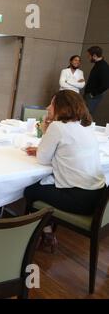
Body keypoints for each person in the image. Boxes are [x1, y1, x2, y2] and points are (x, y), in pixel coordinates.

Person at [24, 90, 106, 249]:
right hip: (98, 196)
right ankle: (47, 229)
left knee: (31, 190)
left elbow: (42, 159)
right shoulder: (86, 127)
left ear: (62, 107)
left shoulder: (58, 127)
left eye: (52, 103)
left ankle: (44, 233)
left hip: (79, 199)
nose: (48, 107)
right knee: (47, 184)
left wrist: (46, 133)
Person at [84, 46, 109, 115]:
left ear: (94, 56)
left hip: (93, 96)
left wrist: (92, 94)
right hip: (90, 95)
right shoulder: (98, 64)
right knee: (84, 114)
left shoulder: (103, 66)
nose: (88, 58)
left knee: (86, 116)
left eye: (89, 56)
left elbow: (106, 85)